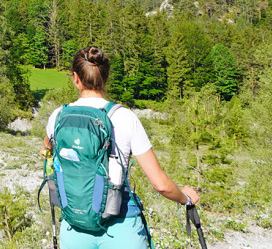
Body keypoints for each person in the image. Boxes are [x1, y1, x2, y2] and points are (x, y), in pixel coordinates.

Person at [42, 46, 199, 248]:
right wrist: (185, 198)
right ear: (106, 78)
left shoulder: (58, 116)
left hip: (74, 227)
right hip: (121, 225)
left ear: (75, 78)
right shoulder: (124, 118)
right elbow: (160, 184)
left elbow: (47, 149)